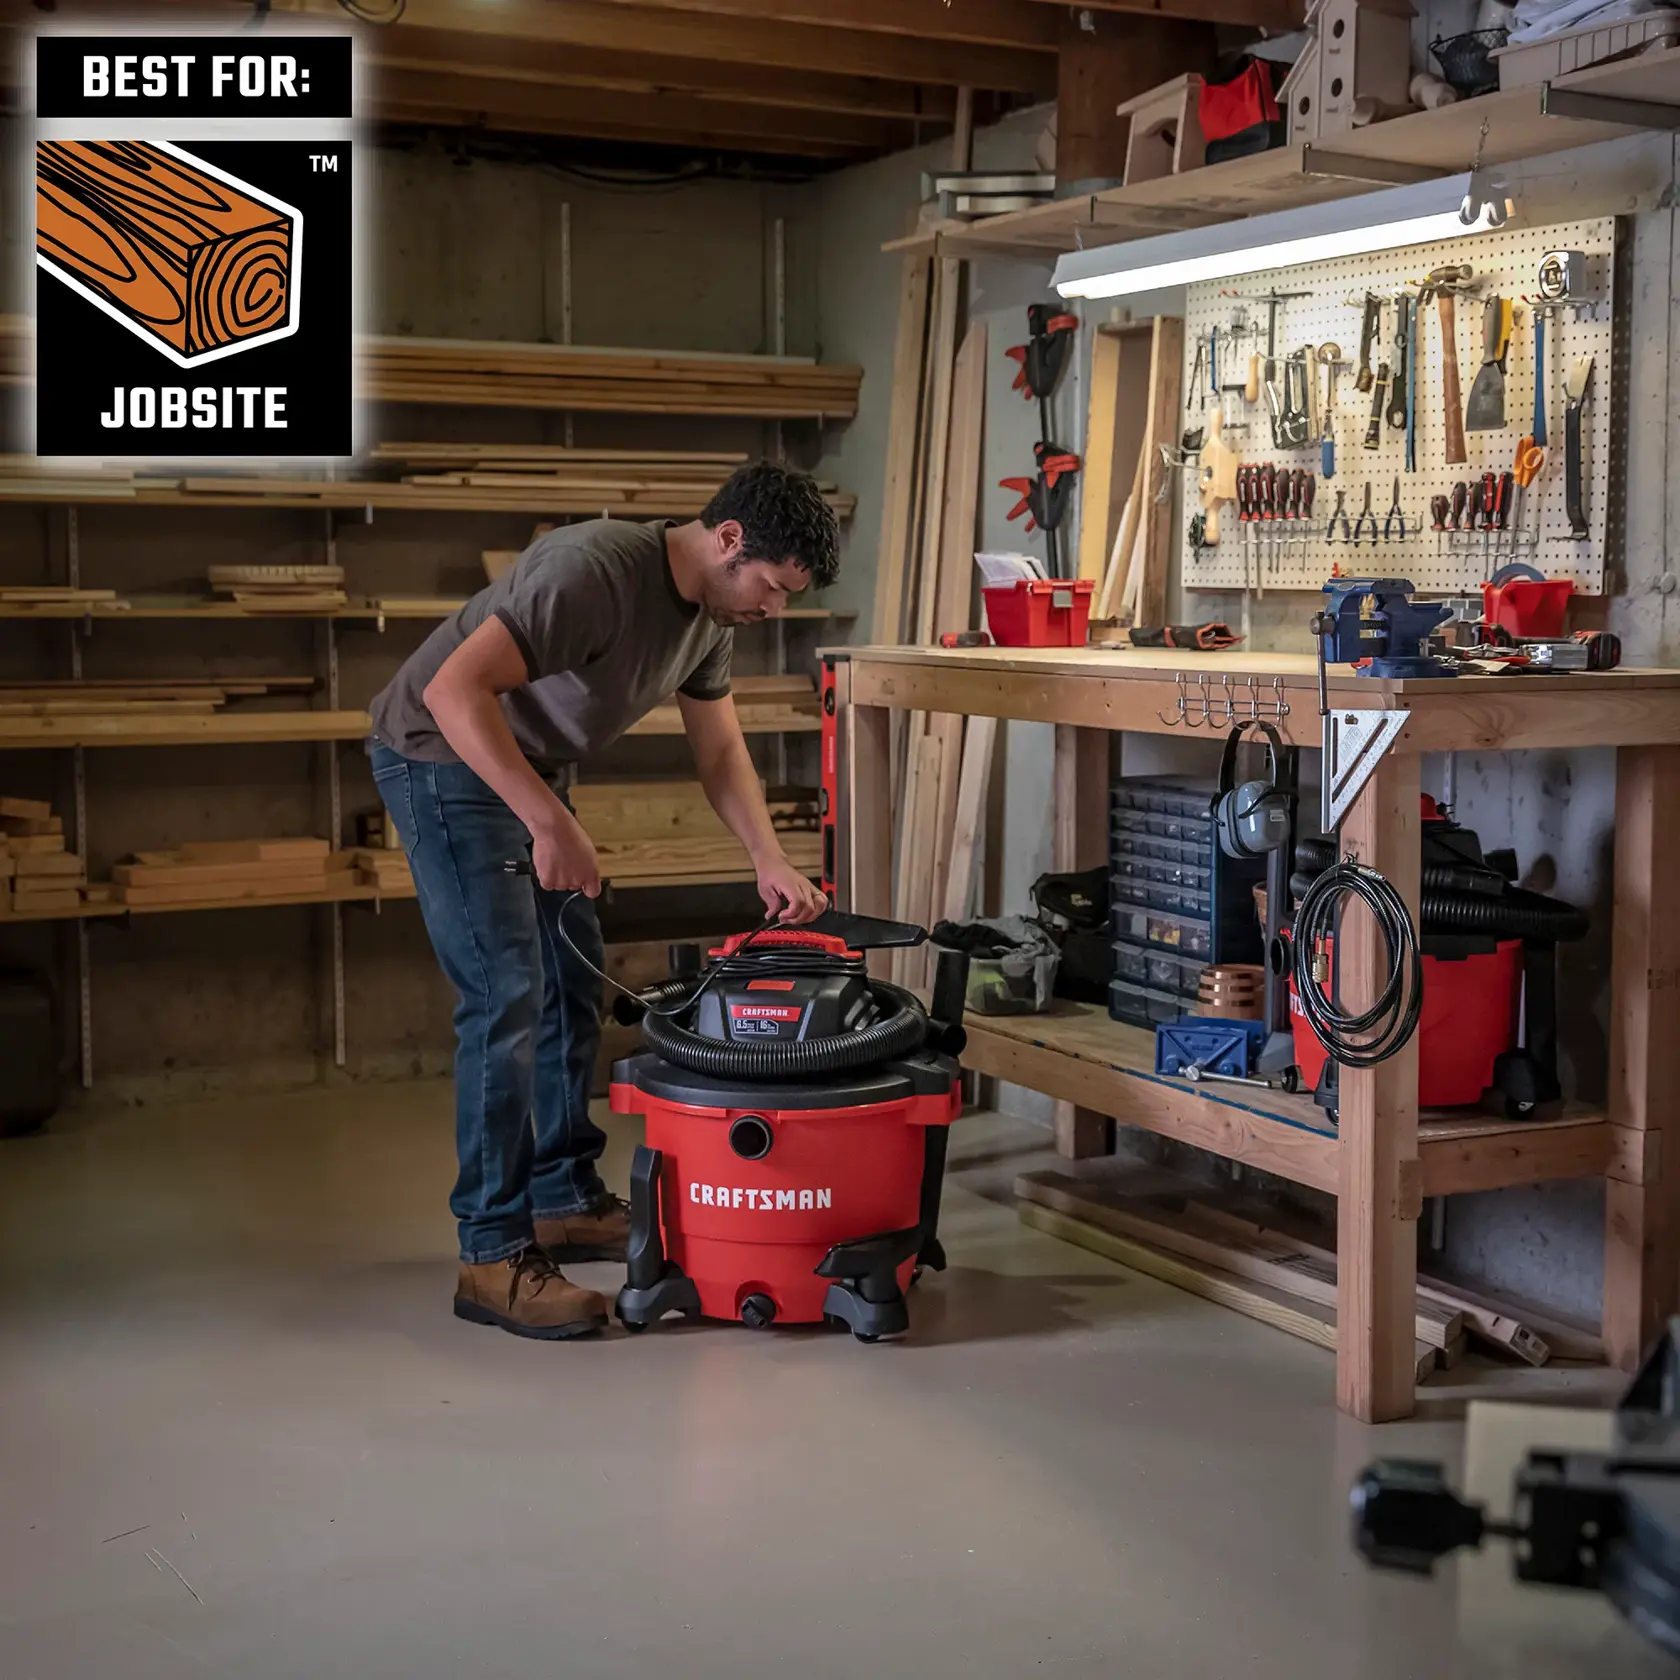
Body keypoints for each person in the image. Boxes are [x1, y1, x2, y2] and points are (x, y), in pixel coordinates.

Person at [367, 462, 838, 1341]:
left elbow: (722, 751)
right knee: (505, 996)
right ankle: (492, 1253)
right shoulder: (592, 571)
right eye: (773, 589)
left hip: (520, 767)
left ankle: (559, 1193)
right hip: (438, 755)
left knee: (569, 980)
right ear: (729, 541)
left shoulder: (710, 615)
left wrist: (767, 857)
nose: (772, 610)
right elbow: (450, 691)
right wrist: (550, 822)